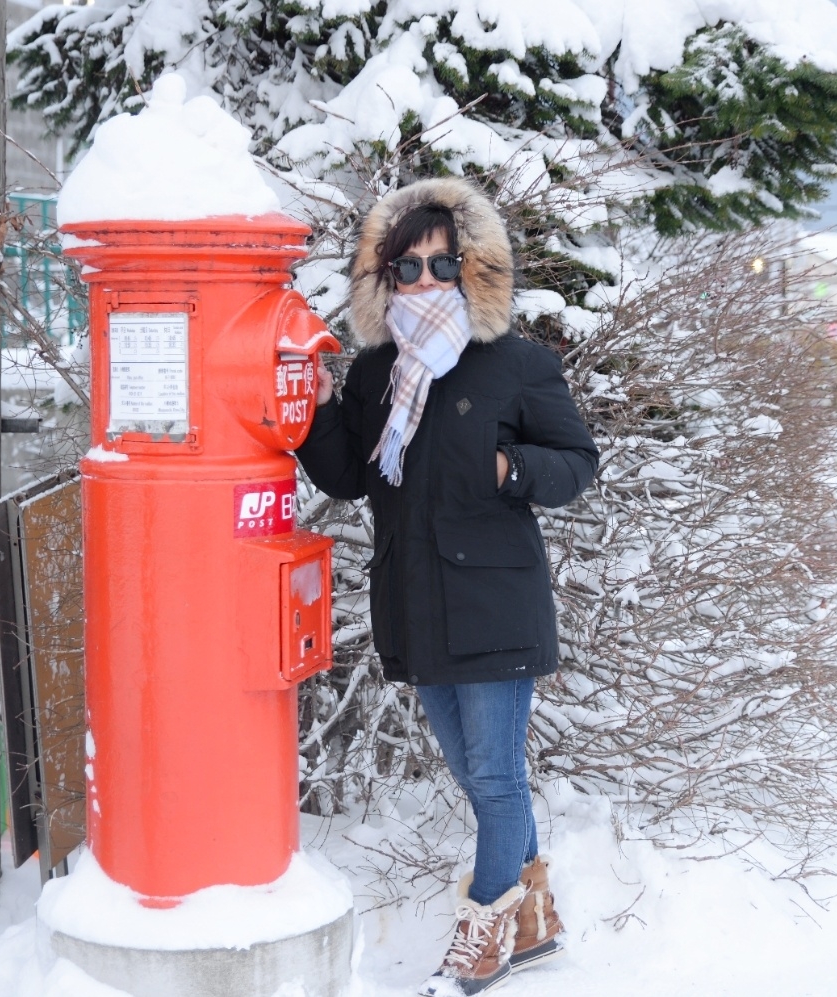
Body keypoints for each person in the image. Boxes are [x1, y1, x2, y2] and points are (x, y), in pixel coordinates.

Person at [295, 177, 599, 997]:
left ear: (471, 268)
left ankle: (483, 934)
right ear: (384, 278)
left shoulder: (517, 365)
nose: (424, 279)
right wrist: (321, 411)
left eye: (440, 263)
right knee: (474, 774)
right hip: (417, 606)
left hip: (496, 602)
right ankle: (535, 918)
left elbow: (579, 463)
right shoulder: (376, 373)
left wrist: (512, 467)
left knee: (496, 778)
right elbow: (352, 477)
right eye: (407, 267)